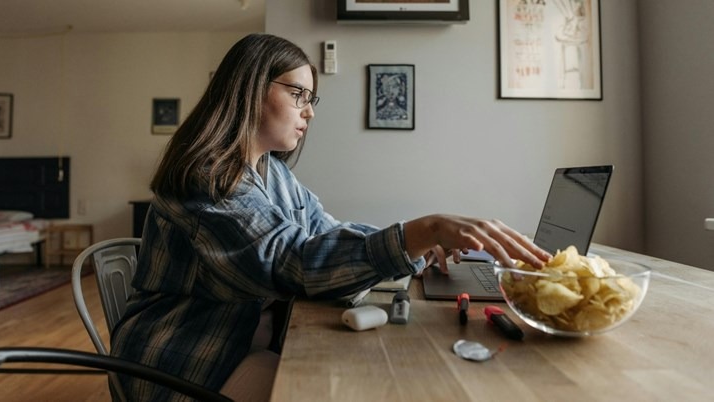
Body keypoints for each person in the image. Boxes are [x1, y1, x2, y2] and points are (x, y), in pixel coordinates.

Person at [110, 33, 551, 402]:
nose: (310, 111)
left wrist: (419, 246)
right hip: (186, 361)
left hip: (242, 344)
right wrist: (424, 229)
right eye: (297, 94)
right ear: (248, 88)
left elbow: (326, 234)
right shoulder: (205, 181)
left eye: (311, 97)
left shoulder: (273, 173)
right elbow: (293, 263)